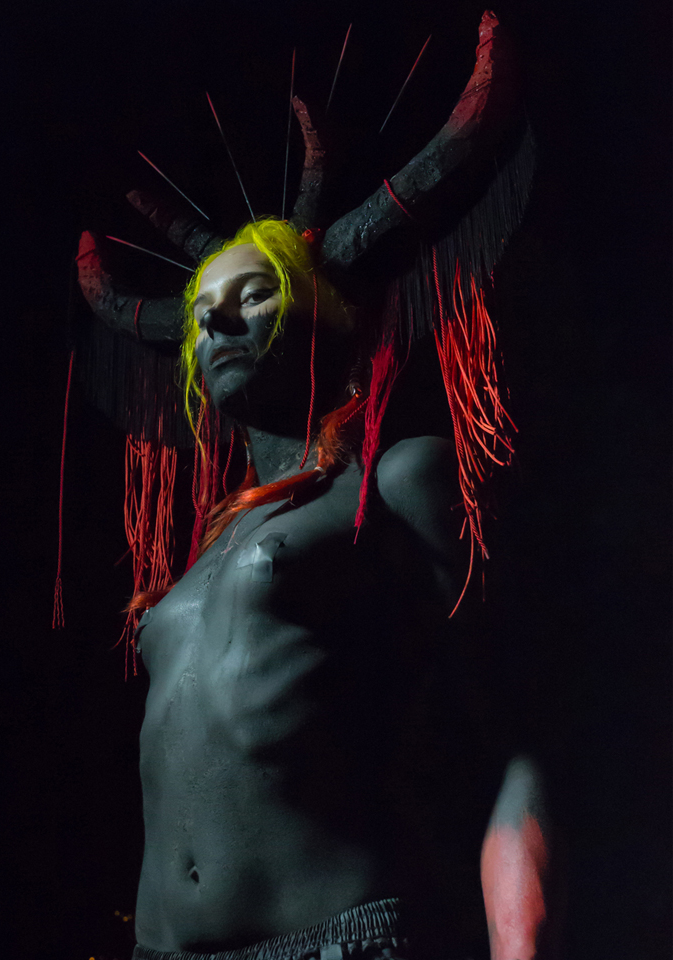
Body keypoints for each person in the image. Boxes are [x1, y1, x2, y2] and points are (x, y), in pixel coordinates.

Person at [128, 219, 554, 960]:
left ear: (334, 316)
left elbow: (516, 739)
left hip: (333, 940)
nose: (217, 321)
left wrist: (519, 944)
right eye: (201, 315)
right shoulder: (210, 548)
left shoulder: (397, 480)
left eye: (253, 295)